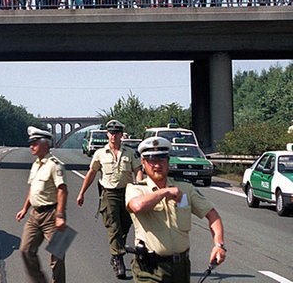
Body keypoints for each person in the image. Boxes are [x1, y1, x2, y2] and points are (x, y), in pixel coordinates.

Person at [126, 137, 226, 283]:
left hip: (181, 267)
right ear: (143, 162)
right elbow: (137, 206)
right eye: (151, 161)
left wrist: (219, 245)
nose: (157, 165)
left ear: (168, 161)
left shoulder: (185, 188)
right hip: (150, 269)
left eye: (161, 160)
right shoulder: (136, 189)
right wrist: (164, 192)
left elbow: (212, 215)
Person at [76, 119, 143, 279]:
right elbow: (92, 173)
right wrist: (82, 192)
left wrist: (140, 188)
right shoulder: (100, 153)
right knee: (113, 226)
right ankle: (119, 259)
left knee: (125, 226)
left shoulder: (129, 152)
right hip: (109, 193)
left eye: (117, 133)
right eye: (111, 133)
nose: (113, 136)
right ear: (107, 134)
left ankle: (115, 255)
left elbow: (138, 171)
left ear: (121, 135)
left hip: (128, 193)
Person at [16, 126, 68, 283]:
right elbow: (32, 189)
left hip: (52, 214)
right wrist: (25, 208)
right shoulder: (35, 165)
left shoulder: (55, 165)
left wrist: (60, 216)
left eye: (35, 143)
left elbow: (63, 190)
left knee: (58, 255)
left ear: (45, 145)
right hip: (35, 215)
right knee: (25, 250)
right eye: (31, 143)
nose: (31, 146)